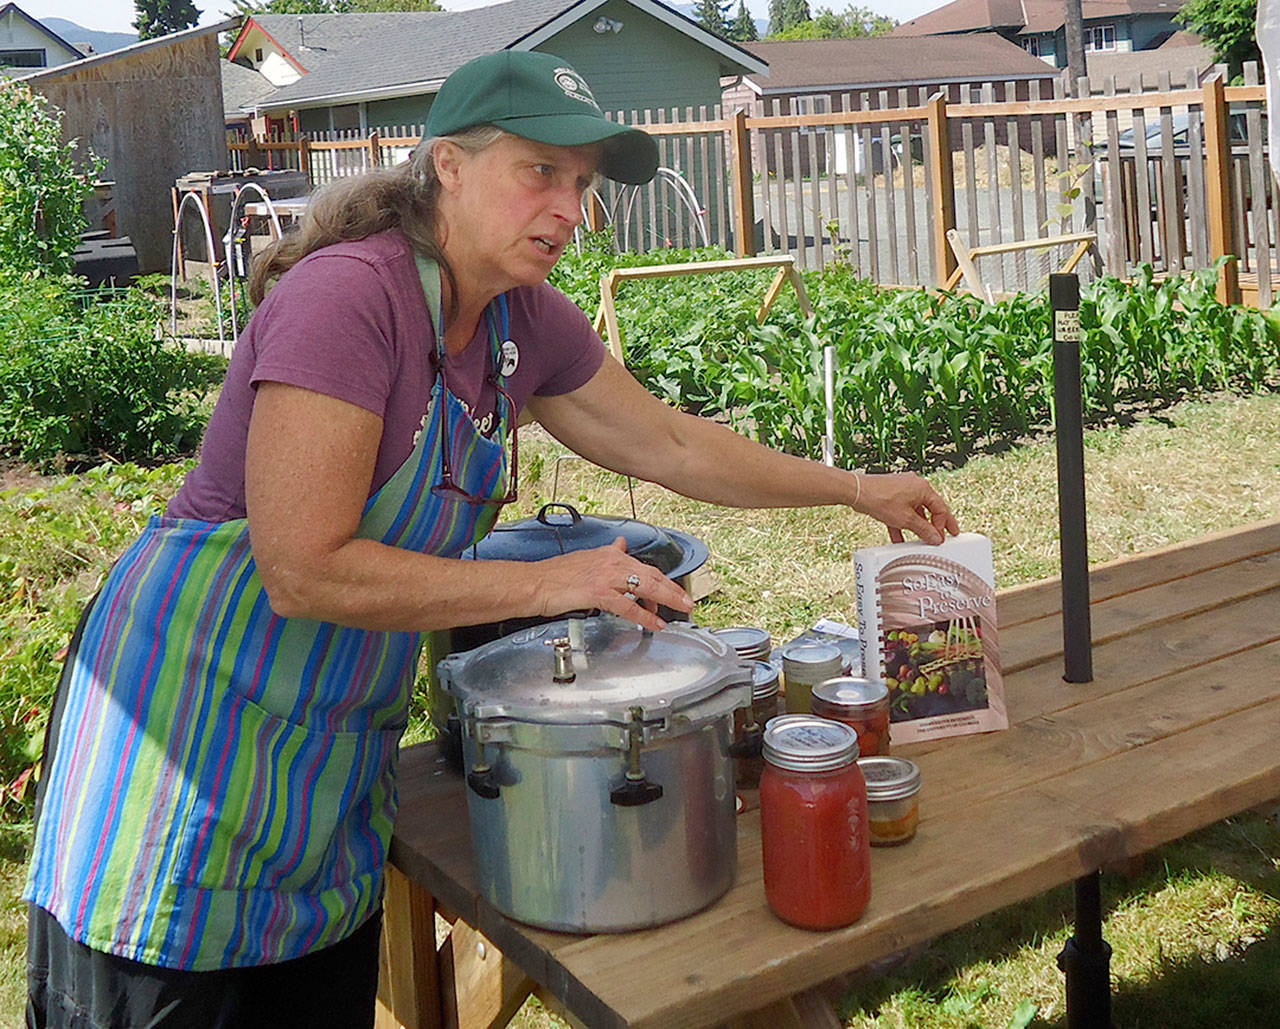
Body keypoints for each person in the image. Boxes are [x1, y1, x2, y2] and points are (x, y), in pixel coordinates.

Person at [25, 50, 958, 1028]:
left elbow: (675, 445)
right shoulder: (349, 299)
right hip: (183, 760)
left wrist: (857, 488)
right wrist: (555, 585)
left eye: (582, 183)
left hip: (321, 768)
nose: (566, 209)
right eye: (539, 173)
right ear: (447, 168)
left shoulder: (520, 321)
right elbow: (302, 568)